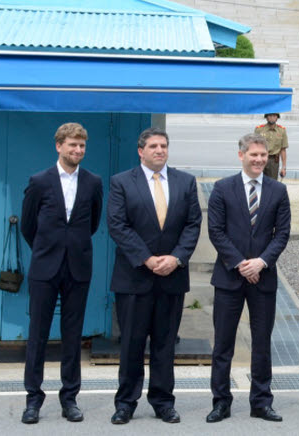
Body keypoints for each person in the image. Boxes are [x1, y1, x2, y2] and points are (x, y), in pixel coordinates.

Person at [107, 127, 202, 425]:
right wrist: (147, 259)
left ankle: (163, 401)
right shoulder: (122, 182)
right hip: (135, 277)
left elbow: (192, 224)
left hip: (171, 277)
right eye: (153, 146)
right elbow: (117, 225)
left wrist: (176, 258)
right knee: (132, 344)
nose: (159, 150)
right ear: (140, 150)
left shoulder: (185, 182)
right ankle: (125, 403)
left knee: (164, 344)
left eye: (163, 145)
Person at [20, 122, 103, 424]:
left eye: (81, 146)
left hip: (78, 267)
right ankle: (33, 400)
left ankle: (70, 398)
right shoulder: (39, 181)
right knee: (38, 335)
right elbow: (29, 226)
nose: (77, 150)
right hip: (44, 268)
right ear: (59, 146)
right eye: (72, 145)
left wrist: (71, 247)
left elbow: (92, 224)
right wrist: (47, 249)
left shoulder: (93, 182)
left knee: (72, 335)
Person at [205, 133, 291, 423]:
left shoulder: (278, 191)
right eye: (253, 154)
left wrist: (262, 262)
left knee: (262, 343)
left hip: (263, 279)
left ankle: (261, 402)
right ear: (241, 155)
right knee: (223, 344)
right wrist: (241, 263)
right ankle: (220, 402)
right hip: (230, 277)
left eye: (263, 155)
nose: (258, 160)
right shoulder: (222, 188)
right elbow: (216, 231)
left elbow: (282, 234)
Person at [255, 113, 288, 180]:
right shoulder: (259, 130)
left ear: (277, 118)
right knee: (258, 182)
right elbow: (254, 147)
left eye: (274, 116)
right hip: (260, 159)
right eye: (270, 116)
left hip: (273, 161)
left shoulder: (282, 130)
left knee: (272, 184)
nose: (272, 118)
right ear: (266, 117)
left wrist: (284, 167)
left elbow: (283, 149)